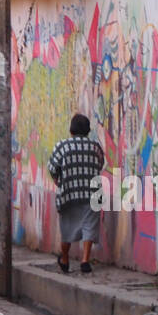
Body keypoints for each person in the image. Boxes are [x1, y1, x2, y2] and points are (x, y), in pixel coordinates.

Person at [47, 113, 106, 274]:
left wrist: (58, 181)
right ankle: (85, 260)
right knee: (89, 226)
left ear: (71, 130)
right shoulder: (95, 147)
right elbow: (100, 164)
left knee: (67, 228)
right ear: (88, 130)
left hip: (69, 193)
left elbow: (52, 168)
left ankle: (65, 258)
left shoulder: (62, 146)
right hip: (92, 193)